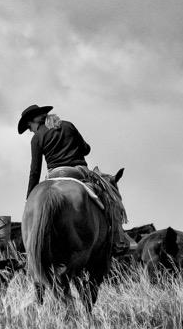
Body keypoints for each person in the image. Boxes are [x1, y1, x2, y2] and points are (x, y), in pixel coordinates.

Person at [17, 103, 128, 254]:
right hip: (78, 172)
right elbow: (86, 149)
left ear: (34, 121)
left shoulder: (37, 138)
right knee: (108, 198)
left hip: (53, 175)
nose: (30, 130)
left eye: (29, 127)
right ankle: (117, 239)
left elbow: (35, 170)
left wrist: (29, 197)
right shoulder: (68, 126)